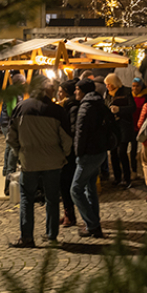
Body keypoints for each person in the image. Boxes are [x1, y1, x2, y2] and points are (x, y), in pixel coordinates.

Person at [6, 76, 73, 247]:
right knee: (51, 198)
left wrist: (20, 153)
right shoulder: (57, 111)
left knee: (27, 198)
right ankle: (51, 236)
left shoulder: (21, 108)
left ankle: (27, 237)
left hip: (29, 162)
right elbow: (67, 140)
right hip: (53, 161)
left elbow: (11, 138)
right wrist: (63, 156)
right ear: (47, 91)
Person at [71, 79, 110, 239]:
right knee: (90, 187)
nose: (75, 92)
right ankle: (94, 224)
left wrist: (78, 153)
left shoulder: (85, 107)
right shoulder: (99, 103)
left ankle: (92, 224)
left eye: (77, 89)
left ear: (83, 91)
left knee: (75, 190)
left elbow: (80, 133)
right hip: (100, 152)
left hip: (88, 153)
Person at [104, 73, 137, 187]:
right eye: (106, 85)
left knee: (122, 152)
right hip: (113, 127)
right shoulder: (107, 94)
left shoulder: (126, 92)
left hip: (124, 125)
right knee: (113, 153)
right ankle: (117, 177)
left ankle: (127, 178)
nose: (108, 87)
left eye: (109, 84)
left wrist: (119, 109)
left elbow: (132, 107)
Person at [57, 79, 81, 227]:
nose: (58, 94)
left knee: (66, 183)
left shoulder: (71, 107)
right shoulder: (69, 105)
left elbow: (71, 130)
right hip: (69, 150)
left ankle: (70, 216)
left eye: (61, 91)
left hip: (70, 151)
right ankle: (68, 213)